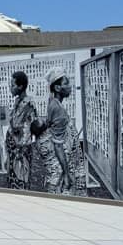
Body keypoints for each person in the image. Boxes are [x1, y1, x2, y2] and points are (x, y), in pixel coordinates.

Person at [32, 68, 86, 196]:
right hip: (63, 158)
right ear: (57, 88)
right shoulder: (58, 110)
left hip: (65, 153)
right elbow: (58, 145)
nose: (70, 86)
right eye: (66, 83)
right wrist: (66, 174)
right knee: (64, 189)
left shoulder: (52, 100)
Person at [4, 71, 37, 189]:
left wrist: (19, 150)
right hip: (13, 150)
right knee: (13, 179)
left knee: (21, 179)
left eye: (12, 85)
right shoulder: (17, 101)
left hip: (20, 151)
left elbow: (27, 130)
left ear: (20, 86)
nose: (10, 88)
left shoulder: (29, 104)